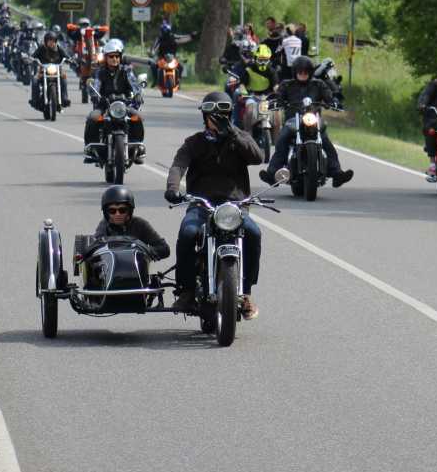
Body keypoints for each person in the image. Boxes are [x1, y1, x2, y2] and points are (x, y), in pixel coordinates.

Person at [164, 93, 263, 318]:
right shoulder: (194, 142)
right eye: (212, 116)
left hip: (234, 206)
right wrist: (172, 188)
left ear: (229, 116)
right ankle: (187, 290)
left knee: (254, 233)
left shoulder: (239, 138)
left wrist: (234, 134)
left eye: (222, 115)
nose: (216, 119)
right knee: (188, 233)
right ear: (205, 117)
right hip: (201, 205)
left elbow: (258, 157)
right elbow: (178, 166)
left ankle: (246, 293)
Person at [259, 55, 354, 187]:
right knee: (282, 140)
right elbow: (279, 97)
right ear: (295, 72)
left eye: (306, 71)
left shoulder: (318, 84)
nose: (303, 74)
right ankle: (272, 174)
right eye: (300, 71)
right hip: (293, 120)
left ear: (310, 72)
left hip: (313, 119)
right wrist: (275, 102)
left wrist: (334, 102)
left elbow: (329, 97)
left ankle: (337, 173)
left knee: (326, 142)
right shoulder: (287, 85)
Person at [83, 39, 145, 163]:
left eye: (117, 56)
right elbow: (95, 85)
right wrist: (94, 94)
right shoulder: (100, 72)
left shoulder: (126, 71)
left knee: (138, 117)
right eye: (111, 56)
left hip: (124, 105)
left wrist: (138, 94)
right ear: (106, 57)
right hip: (104, 105)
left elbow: (134, 84)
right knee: (92, 118)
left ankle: (136, 149)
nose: (114, 59)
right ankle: (91, 150)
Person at [94, 185, 170, 261]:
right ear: (106, 213)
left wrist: (144, 251)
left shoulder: (141, 224)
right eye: (112, 211)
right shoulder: (104, 226)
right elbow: (96, 247)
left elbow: (164, 248)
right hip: (111, 268)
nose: (117, 214)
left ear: (129, 211)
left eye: (122, 210)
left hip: (136, 269)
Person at [225, 41, 277, 128]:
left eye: (265, 60)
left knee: (277, 117)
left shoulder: (272, 71)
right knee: (237, 93)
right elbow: (241, 84)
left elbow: (275, 85)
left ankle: (277, 139)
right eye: (260, 60)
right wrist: (244, 93)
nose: (263, 63)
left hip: (266, 98)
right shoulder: (246, 68)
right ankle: (236, 123)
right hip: (251, 96)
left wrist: (278, 92)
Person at [31, 31, 71, 108]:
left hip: (57, 70)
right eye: (49, 41)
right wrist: (31, 59)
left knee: (64, 79)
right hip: (43, 71)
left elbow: (66, 56)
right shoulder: (41, 48)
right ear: (46, 41)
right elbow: (33, 56)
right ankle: (35, 100)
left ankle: (64, 98)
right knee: (35, 80)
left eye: (53, 41)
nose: (51, 43)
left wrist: (70, 60)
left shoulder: (59, 48)